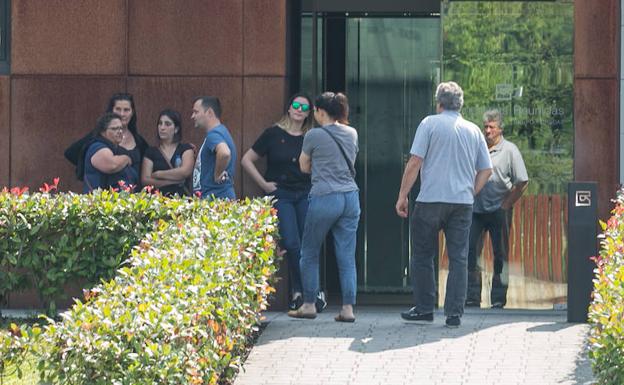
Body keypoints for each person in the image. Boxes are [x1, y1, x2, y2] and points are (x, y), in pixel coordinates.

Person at [395, 81, 492, 328]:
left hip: (430, 199)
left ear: (438, 102)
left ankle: (425, 309)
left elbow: (415, 162)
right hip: (461, 202)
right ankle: (454, 314)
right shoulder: (473, 130)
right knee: (459, 258)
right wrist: (471, 191)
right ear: (460, 103)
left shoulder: (429, 124)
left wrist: (403, 196)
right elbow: (486, 170)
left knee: (423, 255)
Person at [242, 93, 328, 312]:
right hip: (281, 194)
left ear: (309, 113)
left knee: (308, 245)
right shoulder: (273, 134)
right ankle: (307, 292)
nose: (299, 109)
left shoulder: (311, 136)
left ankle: (303, 294)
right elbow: (247, 160)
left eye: (305, 107)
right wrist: (264, 184)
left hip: (305, 192)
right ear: (289, 108)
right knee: (291, 242)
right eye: (296, 105)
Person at [288, 92, 360, 323]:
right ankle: (348, 309)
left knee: (309, 252)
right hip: (350, 197)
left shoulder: (313, 135)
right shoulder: (352, 133)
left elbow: (304, 166)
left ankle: (309, 304)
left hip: (325, 196)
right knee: (347, 256)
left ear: (320, 112)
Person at [466, 109, 529, 309]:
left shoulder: (510, 150)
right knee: (470, 253)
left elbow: (522, 181)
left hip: (498, 210)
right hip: (476, 210)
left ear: (500, 129)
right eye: (485, 127)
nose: (487, 131)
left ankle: (498, 299)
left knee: (500, 255)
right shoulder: (477, 148)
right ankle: (472, 297)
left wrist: (506, 204)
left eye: (491, 127)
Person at [65, 93, 148, 190]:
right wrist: (92, 168)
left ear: (132, 112)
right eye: (118, 109)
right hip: (106, 195)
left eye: (126, 110)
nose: (122, 114)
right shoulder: (97, 139)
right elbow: (71, 153)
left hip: (133, 196)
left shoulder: (139, 141)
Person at [191, 96, 237, 200]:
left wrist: (218, 174)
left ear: (209, 112)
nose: (192, 116)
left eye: (196, 112)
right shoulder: (221, 131)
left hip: (215, 199)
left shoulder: (213, 134)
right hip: (219, 198)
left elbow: (225, 153)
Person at [141, 109, 195, 197]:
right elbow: (145, 180)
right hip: (157, 200)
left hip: (181, 201)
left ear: (176, 129)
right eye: (160, 123)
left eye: (167, 124)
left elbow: (185, 171)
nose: (162, 127)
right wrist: (173, 181)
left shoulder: (185, 149)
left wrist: (158, 174)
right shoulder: (151, 152)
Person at [80, 113, 135, 193]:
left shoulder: (115, 149)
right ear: (103, 132)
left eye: (121, 128)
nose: (119, 131)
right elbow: (112, 165)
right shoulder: (97, 147)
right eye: (114, 129)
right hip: (100, 203)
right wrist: (126, 159)